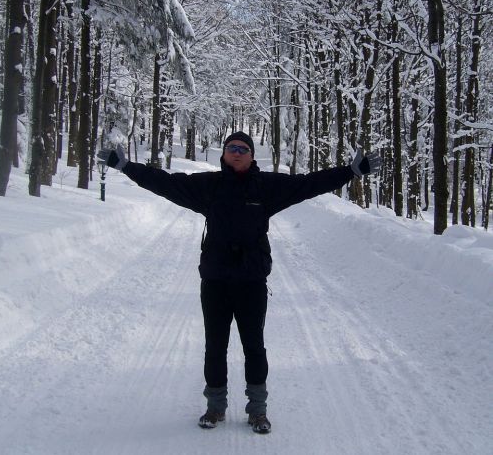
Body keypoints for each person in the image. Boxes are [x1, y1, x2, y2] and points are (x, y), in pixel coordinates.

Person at [98, 132, 380, 435]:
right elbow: (166, 183)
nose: (236, 153)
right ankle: (215, 407)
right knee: (215, 347)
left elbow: (309, 184)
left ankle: (258, 411)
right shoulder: (209, 187)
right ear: (224, 154)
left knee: (254, 347)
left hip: (251, 282)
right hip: (216, 281)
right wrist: (126, 166)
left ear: (251, 156)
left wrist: (350, 171)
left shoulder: (267, 187)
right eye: (231, 148)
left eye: (242, 149)